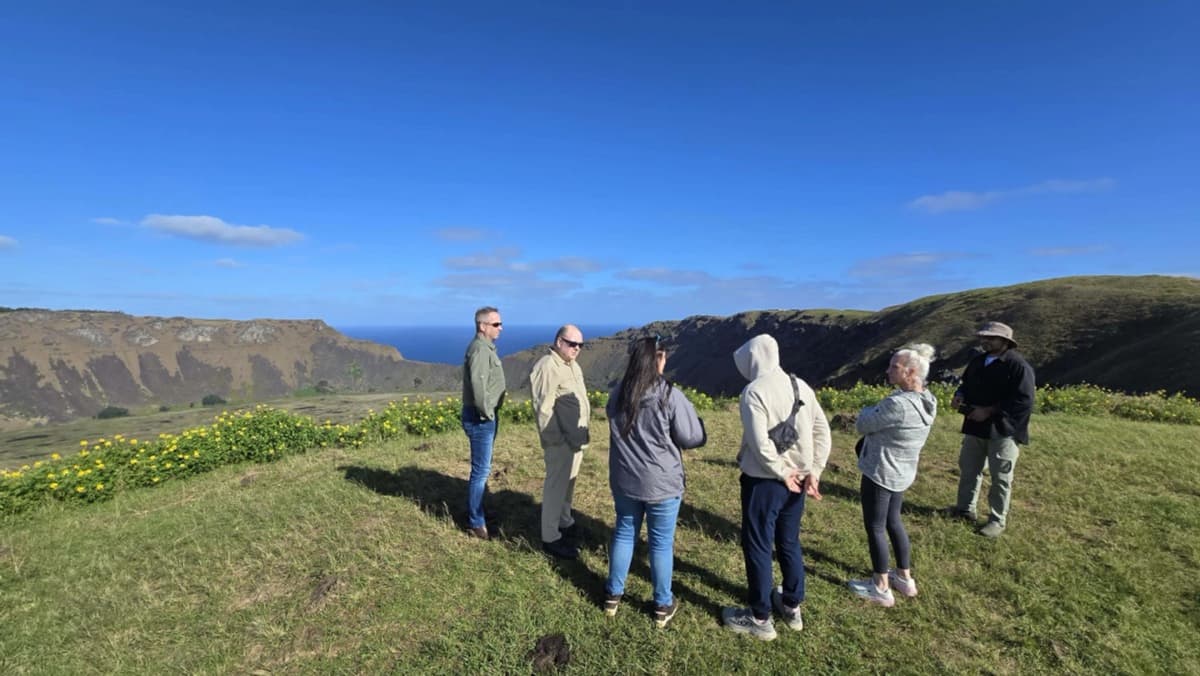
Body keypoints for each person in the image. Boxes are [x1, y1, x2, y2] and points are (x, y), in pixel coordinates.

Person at [723, 334, 830, 641]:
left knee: (757, 544)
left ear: (754, 359)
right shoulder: (801, 386)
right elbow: (822, 430)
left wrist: (781, 471)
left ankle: (759, 618)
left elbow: (759, 444)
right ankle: (792, 604)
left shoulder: (753, 391)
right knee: (789, 541)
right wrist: (815, 471)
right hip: (798, 480)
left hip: (765, 481)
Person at [604, 336, 707, 628]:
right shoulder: (669, 395)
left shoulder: (618, 394)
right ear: (657, 360)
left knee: (625, 533)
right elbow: (691, 437)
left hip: (626, 480)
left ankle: (613, 594)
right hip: (662, 484)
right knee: (661, 544)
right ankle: (662, 603)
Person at [847, 344, 938, 607]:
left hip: (880, 470)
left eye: (894, 367)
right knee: (893, 521)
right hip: (903, 469)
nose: (888, 370)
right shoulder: (928, 401)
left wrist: (868, 410)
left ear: (911, 372)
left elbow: (862, 424)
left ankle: (880, 585)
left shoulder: (896, 404)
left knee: (875, 526)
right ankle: (904, 577)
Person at [948, 321, 1035, 538]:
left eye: (991, 338)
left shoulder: (1018, 366)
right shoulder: (978, 361)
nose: (985, 341)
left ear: (1005, 341)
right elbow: (965, 384)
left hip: (1003, 430)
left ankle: (997, 520)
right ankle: (965, 510)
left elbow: (1024, 400)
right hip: (975, 426)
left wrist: (989, 411)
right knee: (969, 469)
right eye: (983, 337)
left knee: (1001, 477)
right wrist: (960, 396)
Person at [530, 325, 590, 559]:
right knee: (556, 488)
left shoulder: (572, 366)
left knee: (568, 485)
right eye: (571, 343)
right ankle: (550, 537)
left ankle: (565, 522)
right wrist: (555, 441)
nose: (576, 348)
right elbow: (542, 408)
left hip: (575, 439)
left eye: (580, 345)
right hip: (561, 442)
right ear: (558, 341)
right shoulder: (547, 366)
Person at [461, 306, 507, 540]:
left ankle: (477, 511)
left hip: (483, 418)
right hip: (480, 419)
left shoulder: (485, 348)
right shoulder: (480, 350)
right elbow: (479, 388)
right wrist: (487, 414)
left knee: (482, 469)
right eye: (496, 324)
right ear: (482, 326)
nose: (501, 328)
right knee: (480, 471)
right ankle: (476, 522)